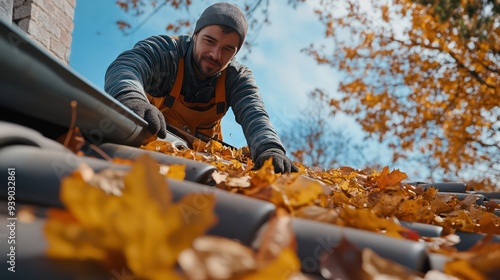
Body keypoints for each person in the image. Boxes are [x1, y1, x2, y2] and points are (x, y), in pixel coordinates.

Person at [105, 2, 298, 173]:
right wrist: (131, 98)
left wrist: (269, 148)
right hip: (147, 147)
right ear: (195, 35)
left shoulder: (236, 78)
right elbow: (127, 66)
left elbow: (254, 112)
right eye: (210, 41)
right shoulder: (167, 52)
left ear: (235, 53)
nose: (215, 55)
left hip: (202, 164)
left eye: (227, 49)